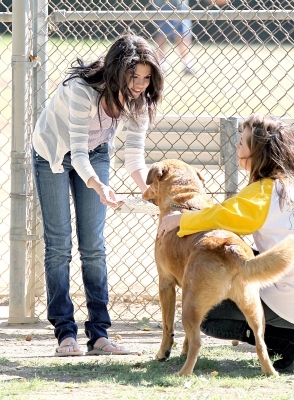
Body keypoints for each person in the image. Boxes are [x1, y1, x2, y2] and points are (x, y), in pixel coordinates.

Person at [157, 113, 294, 373]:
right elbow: (229, 210)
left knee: (207, 301)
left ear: (258, 153)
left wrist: (182, 219)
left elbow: (223, 216)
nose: (236, 147)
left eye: (242, 143)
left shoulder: (264, 191)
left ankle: (284, 342)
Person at [32, 33, 164, 356]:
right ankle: (65, 334)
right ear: (117, 70)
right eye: (134, 76)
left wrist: (149, 193)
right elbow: (75, 155)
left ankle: (100, 335)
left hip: (96, 152)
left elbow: (134, 157)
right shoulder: (81, 91)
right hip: (54, 152)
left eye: (147, 78)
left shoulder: (140, 103)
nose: (140, 85)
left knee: (94, 245)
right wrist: (100, 186)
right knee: (60, 244)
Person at [153, 0, 195, 75]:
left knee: (183, 33)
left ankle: (187, 63)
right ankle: (161, 63)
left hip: (180, 4)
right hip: (163, 4)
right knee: (162, 33)